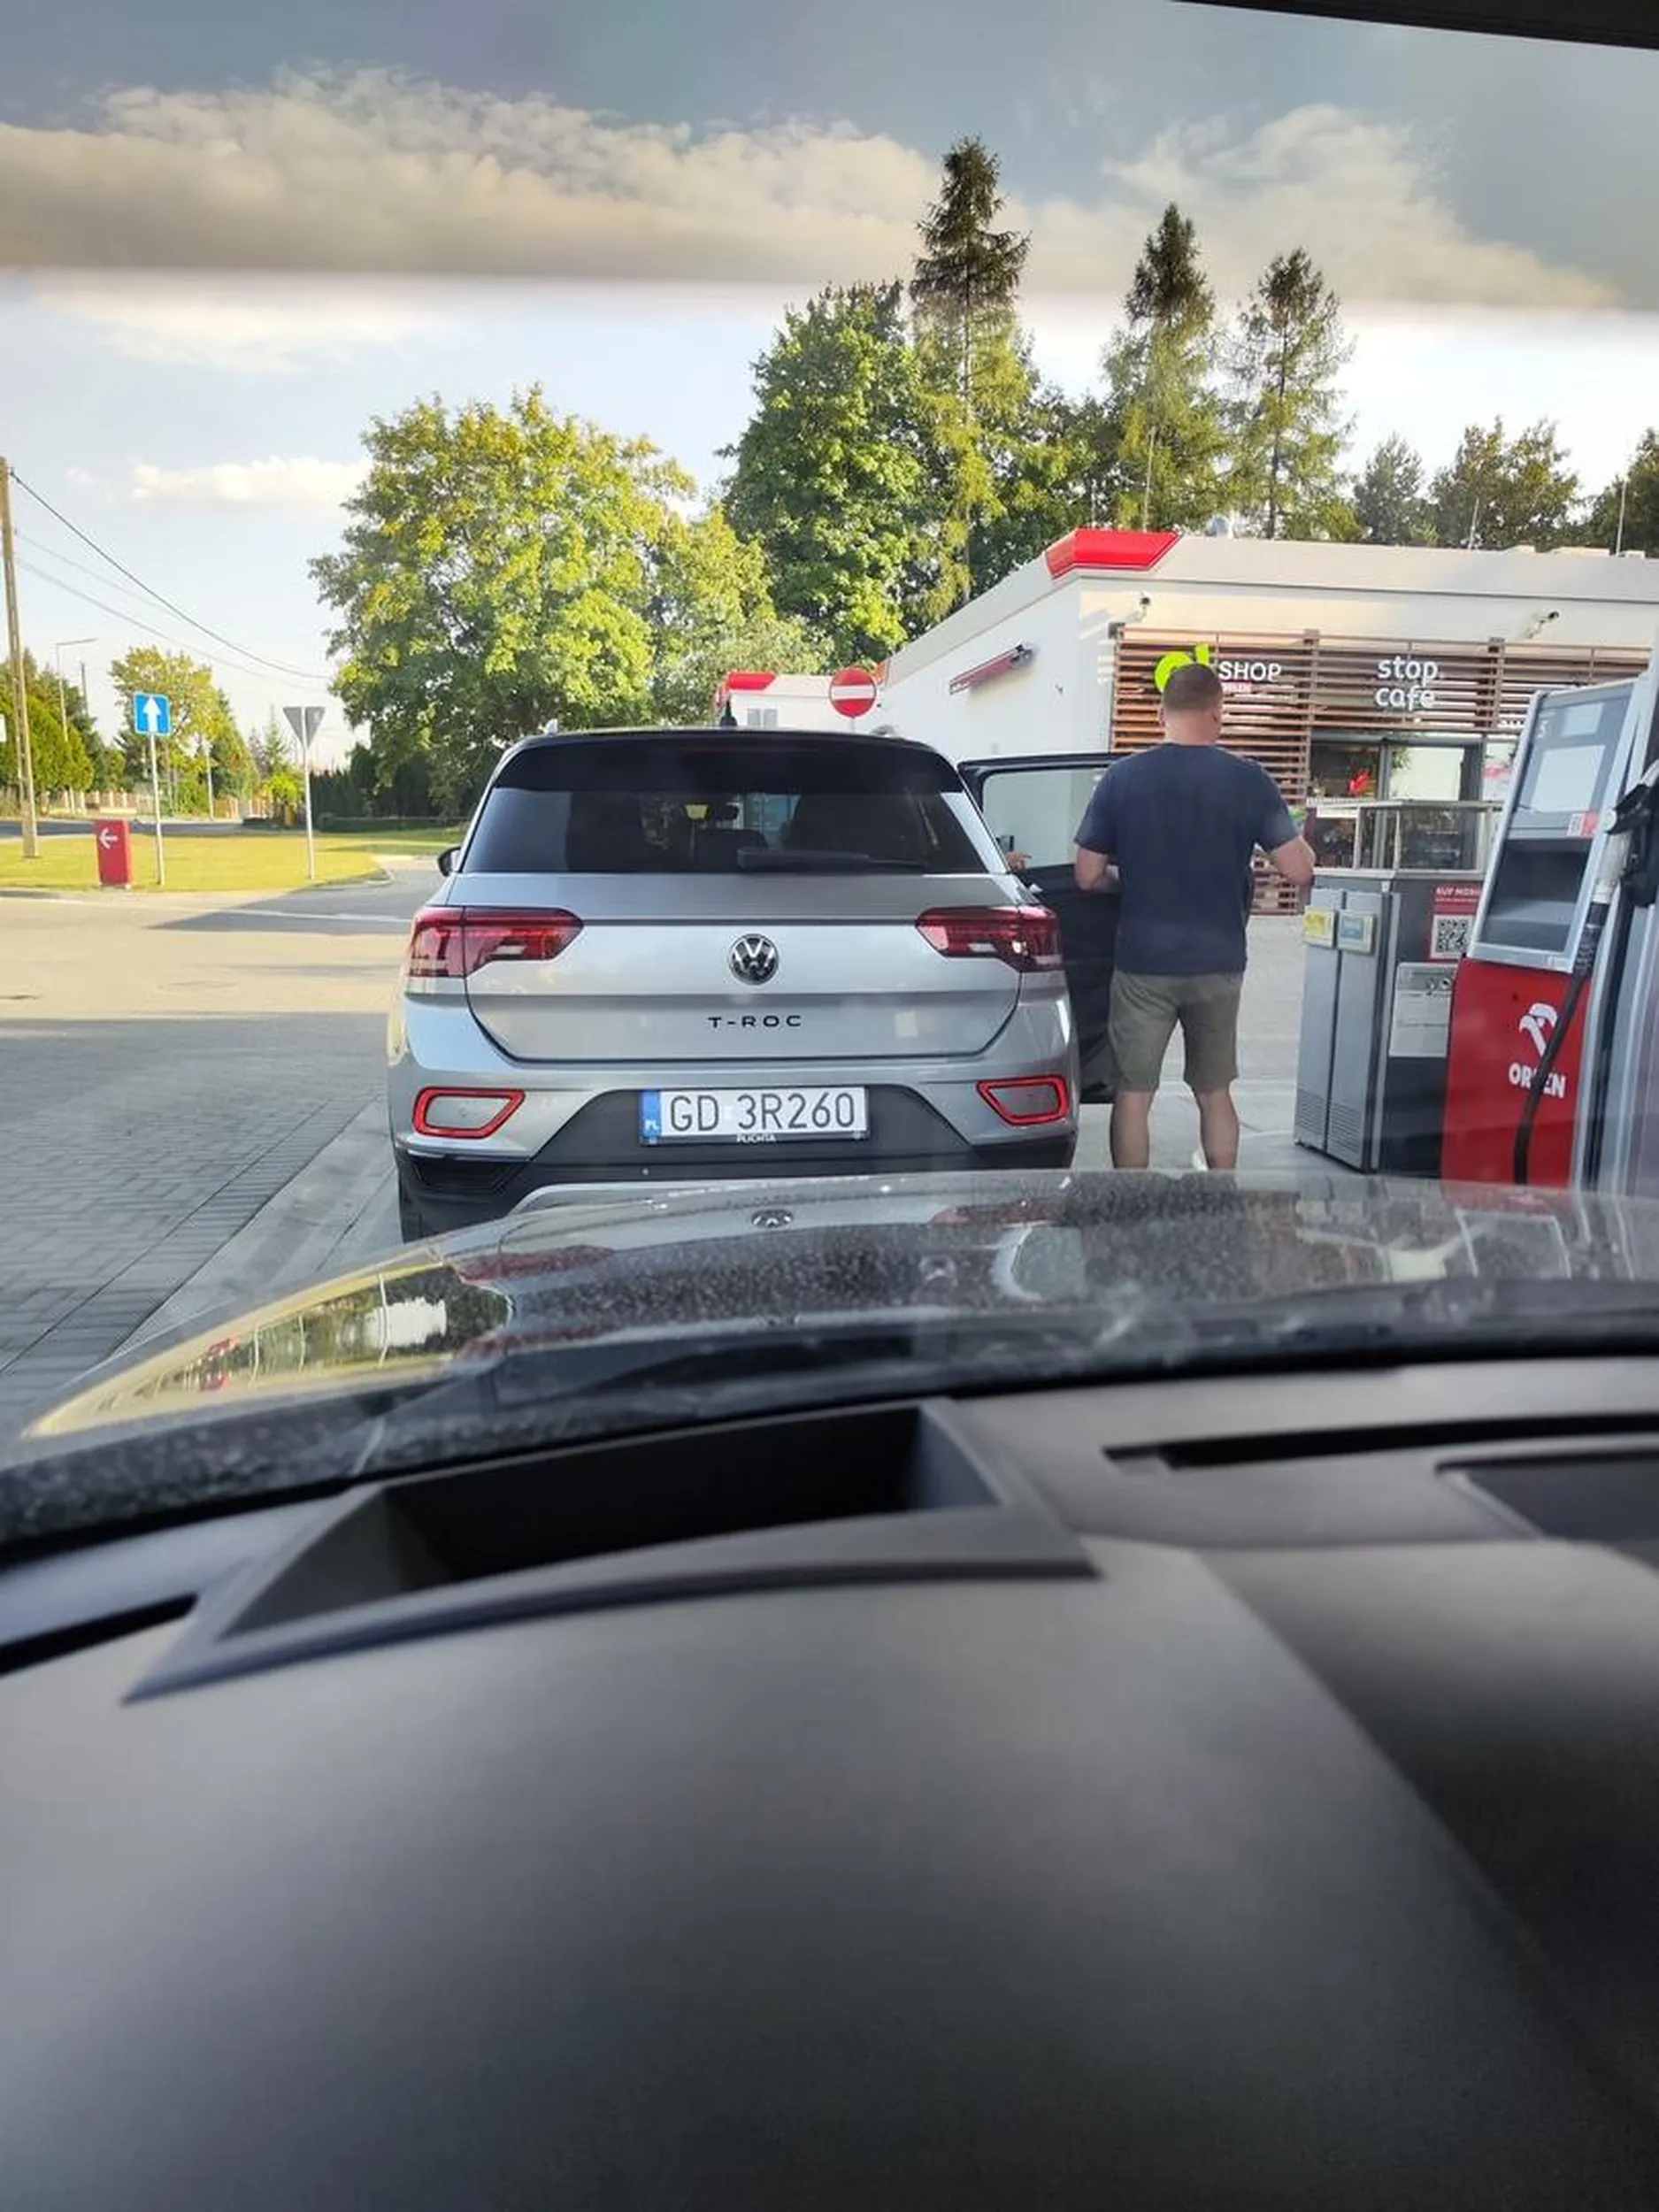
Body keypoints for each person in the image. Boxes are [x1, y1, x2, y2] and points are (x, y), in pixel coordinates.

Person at [1073, 660, 1314, 1172]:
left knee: (1134, 1094)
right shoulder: (1249, 780)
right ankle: (1220, 1198)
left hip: (1143, 964)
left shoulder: (1123, 778)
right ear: (1217, 713)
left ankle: (1128, 1201)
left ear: (1163, 714)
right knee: (1214, 1091)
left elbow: (1087, 875)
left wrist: (1128, 877)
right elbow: (1298, 871)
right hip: (1218, 962)